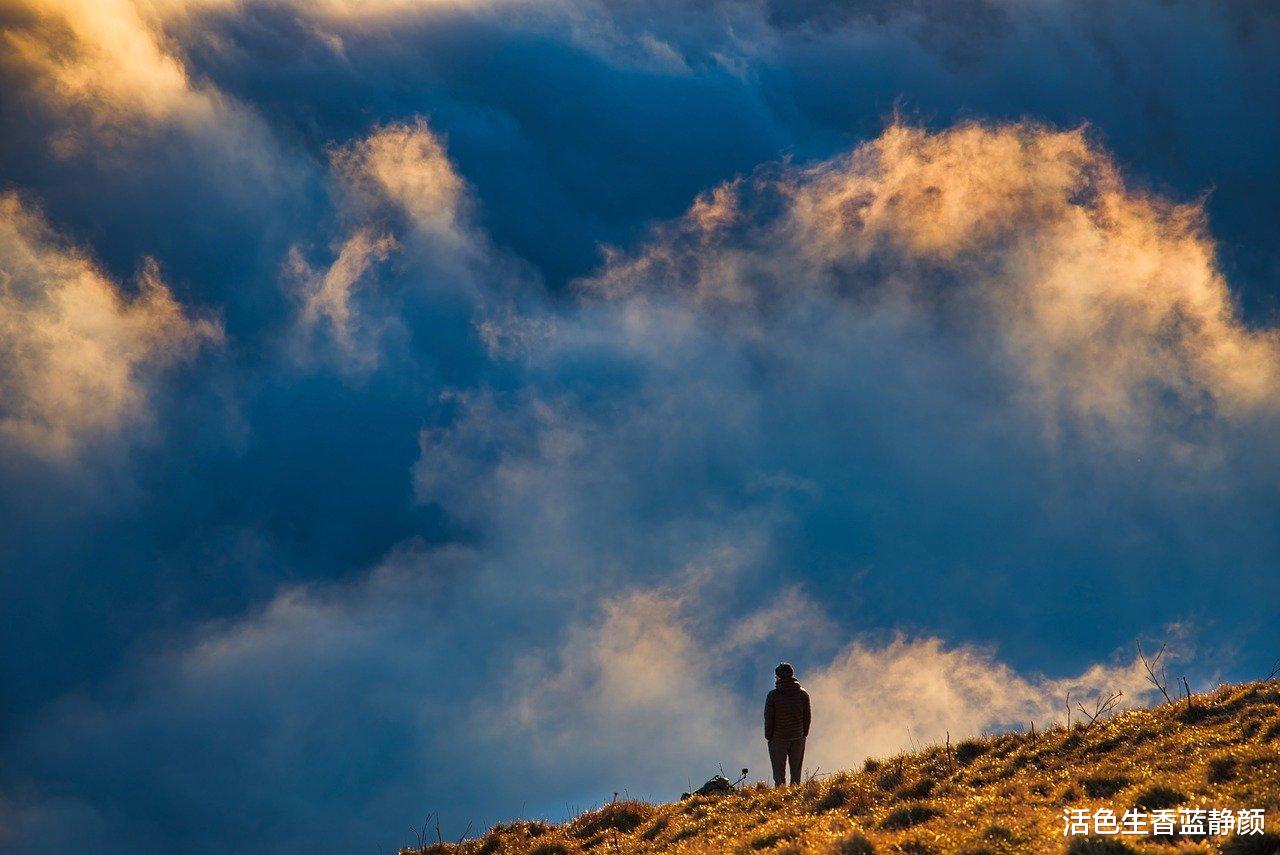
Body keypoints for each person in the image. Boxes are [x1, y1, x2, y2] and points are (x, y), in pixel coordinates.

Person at [764, 661, 811, 786]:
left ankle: (780, 797)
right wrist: (804, 734)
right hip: (798, 737)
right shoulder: (803, 694)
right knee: (796, 773)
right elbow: (807, 717)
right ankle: (794, 796)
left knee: (779, 775)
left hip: (778, 738)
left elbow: (769, 718)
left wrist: (769, 736)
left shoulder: (773, 695)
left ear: (779, 677)